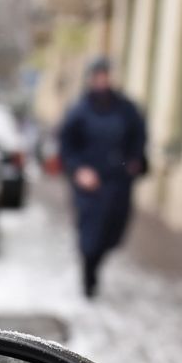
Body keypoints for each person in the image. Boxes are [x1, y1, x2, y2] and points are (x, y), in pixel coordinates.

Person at [58, 58, 148, 298]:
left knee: (113, 233)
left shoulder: (126, 109)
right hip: (90, 184)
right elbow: (66, 146)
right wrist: (79, 170)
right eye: (97, 75)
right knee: (90, 234)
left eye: (105, 75)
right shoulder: (79, 110)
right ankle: (88, 280)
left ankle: (95, 265)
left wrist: (134, 161)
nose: (102, 80)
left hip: (118, 182)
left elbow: (138, 137)